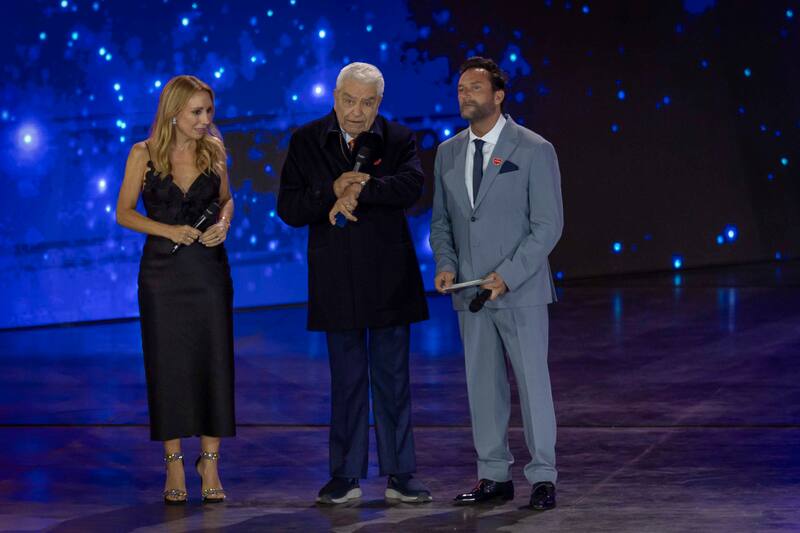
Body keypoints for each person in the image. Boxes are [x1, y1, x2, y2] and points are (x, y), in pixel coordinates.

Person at [277, 62, 431, 504]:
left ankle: (401, 474)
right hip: (336, 279)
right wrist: (331, 189)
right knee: (345, 381)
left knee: (393, 380)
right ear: (334, 97)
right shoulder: (307, 140)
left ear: (379, 103)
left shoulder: (398, 138)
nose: (357, 112)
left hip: (388, 278)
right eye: (349, 100)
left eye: (367, 102)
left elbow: (411, 186)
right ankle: (345, 475)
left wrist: (358, 189)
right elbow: (289, 206)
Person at [429, 57, 564, 511]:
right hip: (469, 293)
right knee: (482, 387)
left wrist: (506, 276)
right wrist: (446, 264)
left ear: (499, 95)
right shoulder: (447, 152)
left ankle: (543, 477)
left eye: (475, 88)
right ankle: (493, 475)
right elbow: (442, 222)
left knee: (532, 384)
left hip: (519, 290)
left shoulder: (533, 148)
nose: (465, 95)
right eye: (461, 88)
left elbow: (547, 226)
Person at [116, 75, 235, 505]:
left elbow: (226, 200)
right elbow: (124, 213)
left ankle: (210, 460)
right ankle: (173, 463)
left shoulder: (215, 150)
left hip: (208, 272)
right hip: (162, 276)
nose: (206, 120)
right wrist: (168, 230)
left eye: (209, 111)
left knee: (213, 360)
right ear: (173, 113)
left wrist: (223, 224)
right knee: (168, 365)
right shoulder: (143, 154)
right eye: (197, 112)